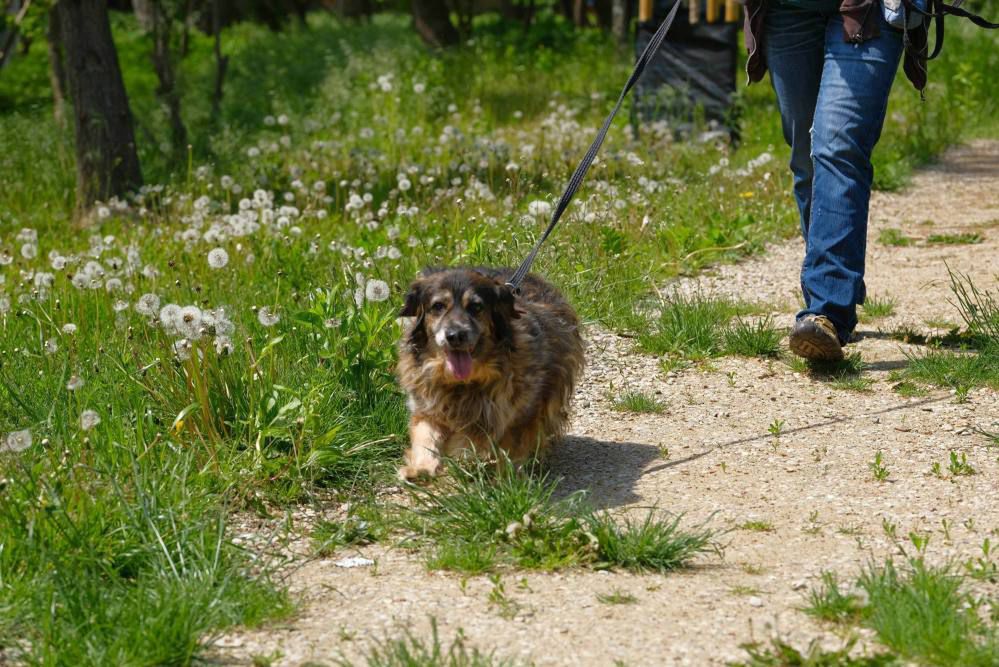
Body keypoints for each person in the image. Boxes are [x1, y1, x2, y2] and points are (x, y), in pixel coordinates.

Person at [741, 0, 927, 360]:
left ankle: (827, 310)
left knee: (837, 146)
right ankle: (834, 288)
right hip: (787, 9)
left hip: (868, 8)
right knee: (807, 159)